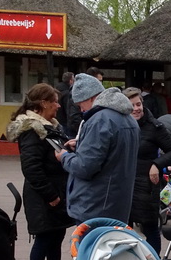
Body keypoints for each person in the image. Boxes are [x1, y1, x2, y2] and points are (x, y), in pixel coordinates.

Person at [6, 84, 73, 260]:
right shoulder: (31, 130)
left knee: (57, 233)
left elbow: (51, 152)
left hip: (55, 189)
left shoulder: (50, 126)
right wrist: (50, 195)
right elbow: (31, 168)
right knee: (44, 236)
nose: (58, 105)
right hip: (42, 194)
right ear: (43, 103)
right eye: (54, 101)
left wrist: (68, 145)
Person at [55, 73, 139, 224]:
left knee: (88, 246)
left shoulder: (99, 120)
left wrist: (64, 157)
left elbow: (85, 167)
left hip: (95, 205)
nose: (81, 110)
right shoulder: (128, 118)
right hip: (117, 204)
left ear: (91, 98)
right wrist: (82, 144)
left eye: (81, 105)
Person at [123, 87, 171, 253]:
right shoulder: (119, 124)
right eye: (132, 105)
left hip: (145, 185)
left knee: (150, 228)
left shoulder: (154, 126)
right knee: (123, 229)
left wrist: (156, 164)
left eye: (138, 103)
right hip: (123, 184)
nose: (136, 108)